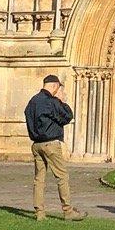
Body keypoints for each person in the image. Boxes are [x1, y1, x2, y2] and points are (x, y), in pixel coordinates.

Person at [24, 74, 84, 221]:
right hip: (51, 144)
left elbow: (28, 117)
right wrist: (62, 102)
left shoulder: (32, 102)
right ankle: (68, 210)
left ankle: (39, 212)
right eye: (58, 88)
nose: (58, 91)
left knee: (39, 179)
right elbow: (67, 116)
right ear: (54, 85)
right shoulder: (52, 102)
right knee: (62, 177)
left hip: (36, 145)